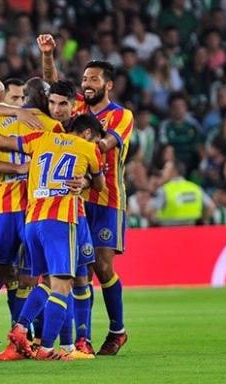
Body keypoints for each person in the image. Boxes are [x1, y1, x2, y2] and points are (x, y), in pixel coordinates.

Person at [0, 112, 105, 361]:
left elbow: (1, 142)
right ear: (88, 133)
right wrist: (86, 182)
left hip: (32, 220)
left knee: (45, 283)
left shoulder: (40, 139)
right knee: (62, 285)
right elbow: (99, 185)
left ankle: (21, 327)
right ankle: (49, 349)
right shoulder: (89, 148)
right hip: (60, 219)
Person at [40, 33, 133, 355]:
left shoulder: (121, 115)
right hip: (74, 201)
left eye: (93, 79)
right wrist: (48, 55)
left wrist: (81, 148)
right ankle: (83, 338)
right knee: (80, 269)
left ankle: (117, 331)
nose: (87, 84)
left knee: (103, 268)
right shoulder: (77, 106)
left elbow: (107, 144)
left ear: (108, 85)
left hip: (107, 199)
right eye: (84, 79)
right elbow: (55, 87)